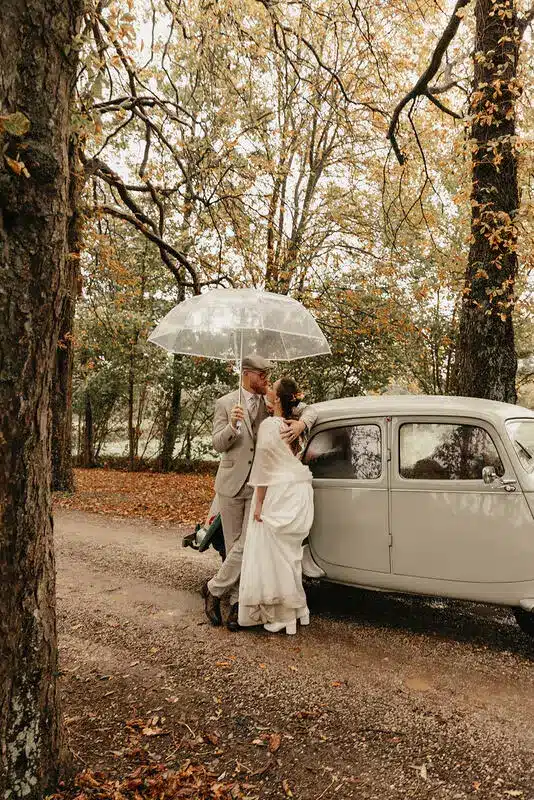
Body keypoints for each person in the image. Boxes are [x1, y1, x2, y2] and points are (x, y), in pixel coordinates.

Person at [202, 355, 317, 630]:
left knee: (248, 546)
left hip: (261, 486)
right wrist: (232, 426)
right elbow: (218, 444)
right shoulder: (226, 403)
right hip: (231, 484)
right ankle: (233, 599)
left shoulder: (270, 402)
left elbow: (308, 408)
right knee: (233, 546)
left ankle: (227, 597)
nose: (266, 380)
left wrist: (302, 424)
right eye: (261, 375)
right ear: (246, 373)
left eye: (268, 376)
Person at [238, 377, 314, 634]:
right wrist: (303, 422)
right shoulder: (296, 426)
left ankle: (282, 614)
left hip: (280, 492)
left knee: (274, 554)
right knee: (290, 554)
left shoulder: (271, 426)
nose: (268, 389)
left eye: (273, 387)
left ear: (278, 399)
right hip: (300, 492)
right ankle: (297, 612)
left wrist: (258, 504)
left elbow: (264, 468)